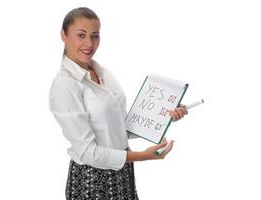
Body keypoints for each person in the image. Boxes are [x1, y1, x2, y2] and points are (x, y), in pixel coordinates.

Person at [49, 7, 188, 200]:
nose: (89, 43)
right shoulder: (65, 85)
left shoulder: (102, 73)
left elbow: (119, 126)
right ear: (63, 35)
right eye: (81, 35)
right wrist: (142, 156)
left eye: (95, 36)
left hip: (122, 174)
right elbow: (88, 152)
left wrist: (164, 116)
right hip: (92, 182)